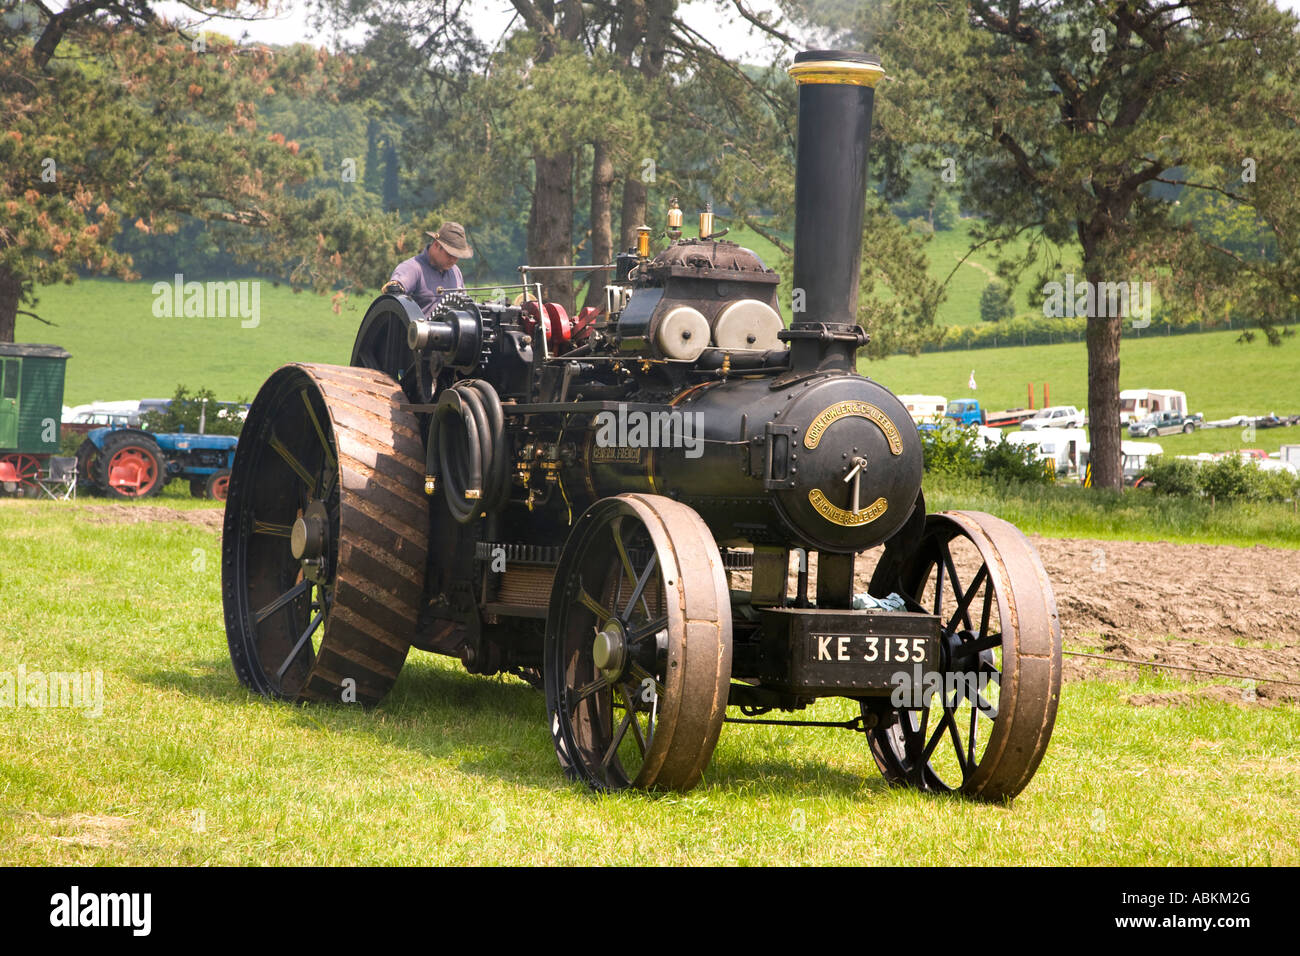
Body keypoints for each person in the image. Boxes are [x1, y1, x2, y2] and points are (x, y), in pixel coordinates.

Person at [382, 221, 473, 316]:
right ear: (436, 245)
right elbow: (392, 298)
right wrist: (396, 286)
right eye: (450, 254)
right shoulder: (412, 268)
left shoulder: (456, 272)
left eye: (457, 256)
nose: (454, 260)